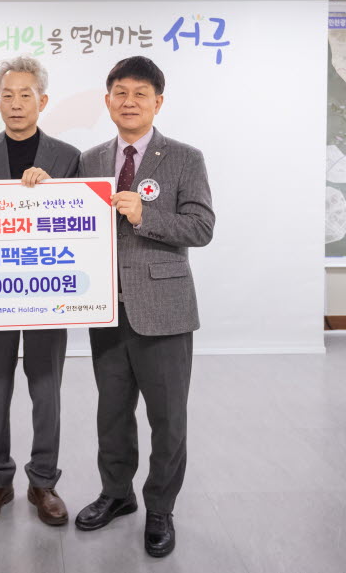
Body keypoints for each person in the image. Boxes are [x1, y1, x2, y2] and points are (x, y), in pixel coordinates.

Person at [74, 55, 214, 558]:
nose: (129, 102)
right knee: (112, 412)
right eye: (120, 93)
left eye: (140, 94)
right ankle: (116, 494)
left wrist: (145, 215)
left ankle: (160, 507)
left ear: (158, 102)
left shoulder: (184, 158)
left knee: (167, 417)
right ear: (107, 100)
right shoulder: (89, 160)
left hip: (165, 308)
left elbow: (201, 227)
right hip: (106, 308)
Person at [0, 56, 80, 528]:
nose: (15, 104)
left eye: (25, 95)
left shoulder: (67, 157)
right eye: (7, 95)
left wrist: (53, 192)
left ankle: (43, 480)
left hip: (47, 291)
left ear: (42, 101)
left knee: (46, 387)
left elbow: (80, 221)